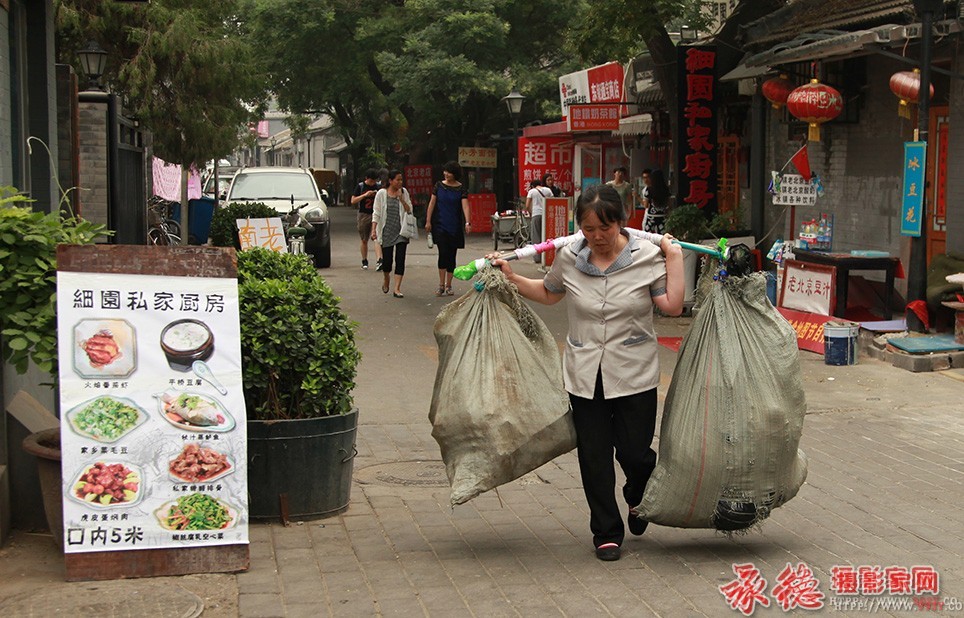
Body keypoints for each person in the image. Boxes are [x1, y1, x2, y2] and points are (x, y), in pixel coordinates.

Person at [488, 184, 683, 562]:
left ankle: (638, 494)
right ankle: (606, 531)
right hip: (584, 374)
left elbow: (672, 306)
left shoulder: (647, 256)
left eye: (605, 229)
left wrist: (673, 258)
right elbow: (548, 293)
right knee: (594, 455)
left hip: (635, 373)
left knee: (636, 454)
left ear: (621, 223)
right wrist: (511, 278)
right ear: (580, 227)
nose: (598, 238)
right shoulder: (568, 256)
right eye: (590, 229)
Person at [425, 161, 471, 296]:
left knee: (452, 255)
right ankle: (441, 285)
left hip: (455, 225)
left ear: (455, 174)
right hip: (440, 224)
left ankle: (449, 285)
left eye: (449, 172)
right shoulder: (438, 186)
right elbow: (432, 203)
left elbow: (465, 206)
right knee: (443, 253)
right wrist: (428, 221)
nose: (446, 174)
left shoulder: (461, 188)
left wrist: (467, 222)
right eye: (445, 171)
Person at [371, 170, 413, 298]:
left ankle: (397, 288)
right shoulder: (381, 194)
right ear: (390, 181)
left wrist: (402, 199)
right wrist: (374, 229)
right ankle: (386, 278)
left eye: (401, 180)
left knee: (400, 259)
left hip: (401, 232)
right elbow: (376, 212)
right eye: (398, 180)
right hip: (386, 231)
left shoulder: (404, 192)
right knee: (387, 261)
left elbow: (409, 210)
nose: (400, 182)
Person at [351, 168, 381, 269]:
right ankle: (364, 260)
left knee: (377, 237)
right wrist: (365, 195)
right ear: (366, 178)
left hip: (376, 214)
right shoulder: (360, 186)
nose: (373, 183)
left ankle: (379, 260)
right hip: (364, 214)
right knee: (364, 239)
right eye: (371, 181)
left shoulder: (378, 187)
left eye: (374, 181)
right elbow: (353, 200)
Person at [525, 178, 553, 266]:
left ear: (532, 185)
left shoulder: (532, 191)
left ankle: (537, 258)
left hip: (536, 215)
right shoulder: (548, 190)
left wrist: (530, 213)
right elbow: (552, 201)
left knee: (536, 236)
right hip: (547, 215)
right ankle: (548, 256)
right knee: (546, 236)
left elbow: (527, 205)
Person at [644, 169, 670, 235]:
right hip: (662, 216)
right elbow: (669, 204)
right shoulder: (666, 189)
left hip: (651, 217)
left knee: (648, 236)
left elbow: (646, 205)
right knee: (662, 236)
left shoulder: (649, 189)